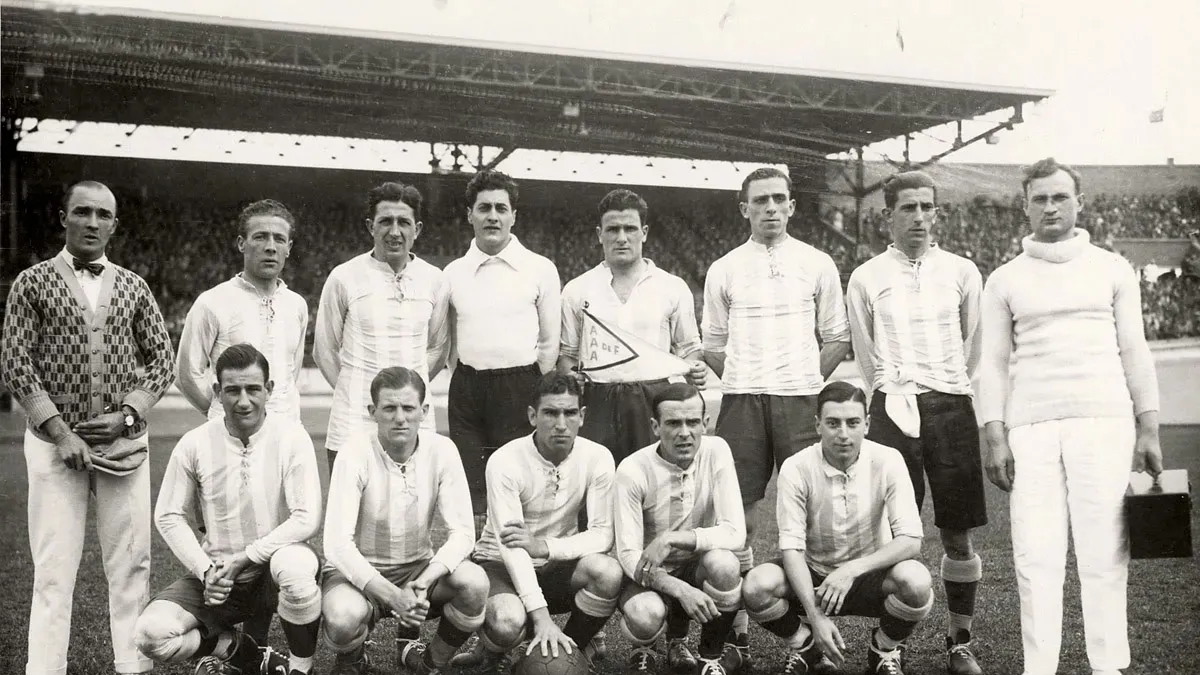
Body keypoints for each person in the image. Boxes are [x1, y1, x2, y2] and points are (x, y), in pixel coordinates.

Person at [979, 158, 1162, 675]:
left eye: (1060, 197)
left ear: (1079, 202)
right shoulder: (1004, 279)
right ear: (1025, 205)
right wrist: (995, 436)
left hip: (1104, 422)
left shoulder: (1112, 268)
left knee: (1105, 553)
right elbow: (990, 365)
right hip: (1031, 428)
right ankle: (1040, 668)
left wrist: (1148, 427)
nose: (1051, 207)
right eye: (1040, 198)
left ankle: (1108, 666)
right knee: (1035, 557)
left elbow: (1135, 350)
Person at [1, 180, 175, 675]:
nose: (93, 222)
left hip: (124, 446)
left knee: (131, 567)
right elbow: (16, 362)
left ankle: (133, 666)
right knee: (53, 573)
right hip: (55, 449)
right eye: (83, 212)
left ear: (115, 225)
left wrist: (127, 413)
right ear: (63, 218)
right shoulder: (31, 282)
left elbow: (163, 361)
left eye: (103, 215)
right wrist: (61, 432)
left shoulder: (135, 286)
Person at [702, 167, 851, 654]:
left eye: (779, 199)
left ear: (792, 206)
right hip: (743, 399)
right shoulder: (724, 268)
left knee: (811, 511)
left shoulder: (818, 262)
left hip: (800, 400)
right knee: (737, 514)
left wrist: (806, 376)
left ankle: (818, 628)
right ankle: (737, 628)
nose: (770, 207)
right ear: (743, 208)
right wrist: (748, 375)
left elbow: (837, 336)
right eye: (760, 200)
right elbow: (713, 345)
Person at [846, 171, 986, 674]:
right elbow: (865, 353)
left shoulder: (963, 271)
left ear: (937, 212)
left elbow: (974, 346)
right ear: (889, 215)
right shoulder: (866, 276)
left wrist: (946, 389)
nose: (920, 217)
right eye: (908, 208)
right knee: (894, 534)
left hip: (950, 407)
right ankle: (890, 644)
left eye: (928, 207)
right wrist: (890, 395)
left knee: (957, 534)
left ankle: (960, 640)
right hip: (890, 406)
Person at [133, 343, 324, 675]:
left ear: (269, 389)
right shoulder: (194, 443)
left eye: (253, 389)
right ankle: (240, 653)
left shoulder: (292, 437)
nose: (244, 400)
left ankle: (300, 668)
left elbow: (306, 516)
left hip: (273, 569)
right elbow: (168, 514)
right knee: (152, 635)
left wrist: (248, 557)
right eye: (233, 390)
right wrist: (206, 571)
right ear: (218, 392)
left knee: (295, 567)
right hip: (219, 575)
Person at [742, 381, 932, 675]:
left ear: (866, 424)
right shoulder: (796, 466)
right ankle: (805, 647)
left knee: (916, 581)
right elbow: (792, 548)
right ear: (818, 425)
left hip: (870, 575)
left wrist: (852, 569)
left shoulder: (888, 459)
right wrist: (815, 618)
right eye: (833, 423)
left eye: (852, 422)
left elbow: (910, 540)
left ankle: (884, 649)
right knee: (756, 585)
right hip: (814, 574)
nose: (843, 434)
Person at [321, 367, 487, 675]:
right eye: (389, 408)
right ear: (373, 411)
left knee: (474, 583)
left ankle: (430, 662)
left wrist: (424, 581)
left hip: (418, 570)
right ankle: (353, 661)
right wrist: (393, 597)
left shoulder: (442, 450)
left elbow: (463, 533)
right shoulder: (353, 453)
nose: (400, 417)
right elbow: (336, 544)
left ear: (423, 411)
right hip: (359, 575)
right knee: (343, 616)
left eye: (408, 408)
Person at [451, 373, 622, 671]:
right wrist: (542, 618)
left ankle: (572, 649)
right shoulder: (505, 460)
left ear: (581, 416)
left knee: (606, 571)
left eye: (569, 413)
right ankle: (492, 649)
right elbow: (512, 548)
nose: (560, 423)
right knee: (506, 621)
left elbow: (602, 535)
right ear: (532, 416)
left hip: (556, 564)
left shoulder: (598, 456)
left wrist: (545, 546)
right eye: (550, 413)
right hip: (500, 564)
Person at [444, 170, 562, 520]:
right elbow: (446, 338)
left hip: (520, 386)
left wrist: (527, 382)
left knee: (517, 482)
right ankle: (480, 563)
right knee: (473, 487)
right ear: (470, 215)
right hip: (468, 388)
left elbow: (549, 342)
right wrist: (466, 376)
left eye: (500, 208)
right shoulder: (452, 273)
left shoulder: (540, 269)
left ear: (514, 216)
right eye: (483, 208)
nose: (492, 216)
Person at [559, 188, 707, 465]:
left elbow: (690, 350)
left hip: (653, 397)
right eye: (613, 229)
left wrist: (695, 368)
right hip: (597, 399)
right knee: (597, 485)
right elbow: (567, 355)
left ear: (645, 232)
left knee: (654, 484)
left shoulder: (672, 287)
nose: (622, 237)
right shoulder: (576, 289)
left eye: (630, 228)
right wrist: (571, 377)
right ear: (599, 234)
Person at [613, 383, 747, 675]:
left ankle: (710, 656)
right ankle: (646, 645)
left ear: (705, 423)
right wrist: (680, 589)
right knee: (646, 615)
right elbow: (627, 555)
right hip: (650, 573)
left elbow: (736, 533)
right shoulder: (632, 469)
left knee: (724, 563)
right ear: (655, 426)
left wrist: (673, 538)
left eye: (693, 422)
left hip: (693, 566)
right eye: (673, 423)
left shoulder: (716, 450)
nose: (684, 433)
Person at [315, 182, 450, 468]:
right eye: (385, 221)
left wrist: (411, 392)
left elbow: (438, 347)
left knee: (413, 506)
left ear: (418, 229)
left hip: (413, 421)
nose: (394, 231)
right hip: (352, 421)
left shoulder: (435, 279)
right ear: (370, 226)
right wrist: (355, 391)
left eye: (404, 222)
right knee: (350, 510)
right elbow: (324, 350)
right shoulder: (344, 277)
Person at [177, 199, 308, 423]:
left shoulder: (297, 305)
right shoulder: (212, 302)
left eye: (279, 239)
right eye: (260, 237)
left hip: (288, 434)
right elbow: (186, 374)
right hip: (232, 436)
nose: (270, 246)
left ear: (288, 248)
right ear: (241, 244)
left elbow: (291, 373)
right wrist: (227, 414)